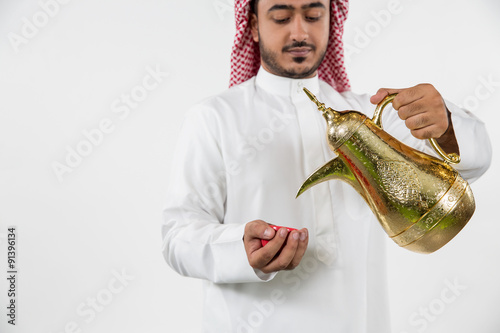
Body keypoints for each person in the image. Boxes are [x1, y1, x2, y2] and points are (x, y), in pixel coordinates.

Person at [161, 0, 491, 332]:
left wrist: (445, 124)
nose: (300, 31)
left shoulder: (372, 117)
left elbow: (466, 169)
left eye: (314, 15)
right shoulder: (214, 119)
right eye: (281, 17)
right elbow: (178, 237)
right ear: (253, 25)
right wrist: (238, 248)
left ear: (332, 20)